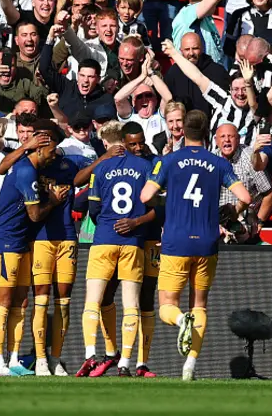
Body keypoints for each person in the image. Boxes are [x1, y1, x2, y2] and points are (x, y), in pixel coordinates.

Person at [140, 110, 251, 381]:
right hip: (207, 242)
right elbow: (245, 196)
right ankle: (189, 366)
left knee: (167, 304)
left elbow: (145, 196)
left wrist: (166, 202)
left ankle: (181, 321)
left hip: (176, 241)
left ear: (182, 131)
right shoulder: (218, 163)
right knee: (199, 305)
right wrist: (233, 211)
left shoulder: (169, 161)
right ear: (206, 132)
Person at [0, 120, 68, 377]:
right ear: (39, 149)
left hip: (19, 241)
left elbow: (1, 167)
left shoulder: (24, 166)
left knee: (21, 302)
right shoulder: (26, 172)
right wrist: (53, 201)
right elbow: (34, 215)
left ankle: (13, 358)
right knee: (4, 300)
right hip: (4, 241)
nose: (54, 157)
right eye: (52, 151)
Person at [75, 121, 152, 378]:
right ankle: (126, 363)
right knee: (131, 304)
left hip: (104, 238)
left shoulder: (103, 166)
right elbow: (155, 203)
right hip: (133, 241)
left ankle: (89, 354)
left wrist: (107, 224)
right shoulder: (145, 167)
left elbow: (93, 207)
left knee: (92, 301)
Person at [172, 0, 225, 64]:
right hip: (192, 72)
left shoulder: (206, 17)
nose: (215, 5)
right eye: (214, 3)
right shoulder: (188, 13)